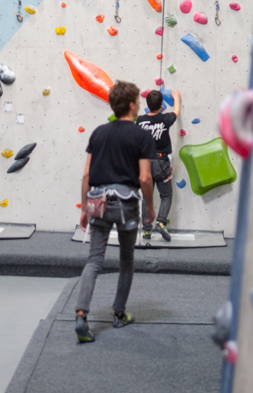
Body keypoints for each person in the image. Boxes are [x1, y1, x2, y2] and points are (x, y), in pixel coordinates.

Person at [74, 80, 156, 344]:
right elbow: (144, 177)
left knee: (94, 260)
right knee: (126, 259)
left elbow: (86, 174)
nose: (139, 105)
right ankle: (119, 313)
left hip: (98, 202)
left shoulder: (98, 133)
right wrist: (150, 207)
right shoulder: (140, 135)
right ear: (131, 105)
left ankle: (81, 315)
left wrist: (84, 208)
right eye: (138, 102)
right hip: (126, 203)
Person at [137, 89, 181, 242]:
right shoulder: (165, 119)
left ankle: (146, 230)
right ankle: (161, 222)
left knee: (146, 198)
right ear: (161, 104)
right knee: (166, 195)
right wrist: (176, 98)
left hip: (145, 164)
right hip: (161, 163)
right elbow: (176, 111)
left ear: (147, 104)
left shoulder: (140, 121)